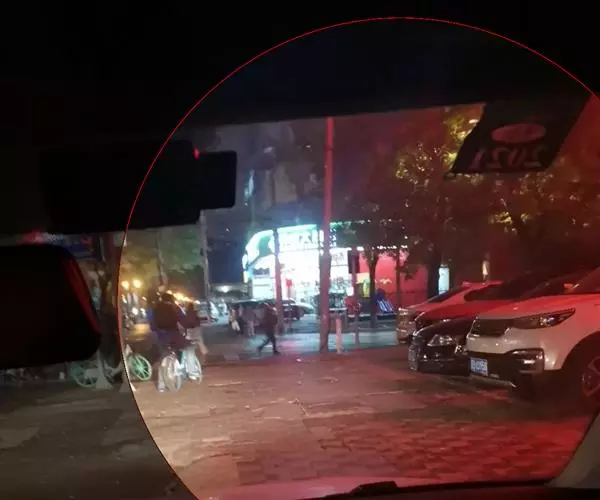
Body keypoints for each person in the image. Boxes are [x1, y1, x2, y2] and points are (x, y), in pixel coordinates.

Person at [152, 293, 202, 388]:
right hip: (174, 336)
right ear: (171, 300)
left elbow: (152, 325)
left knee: (163, 358)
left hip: (160, 338)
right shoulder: (174, 308)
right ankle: (192, 373)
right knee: (189, 348)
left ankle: (161, 385)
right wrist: (191, 325)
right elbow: (183, 320)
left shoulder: (155, 309)